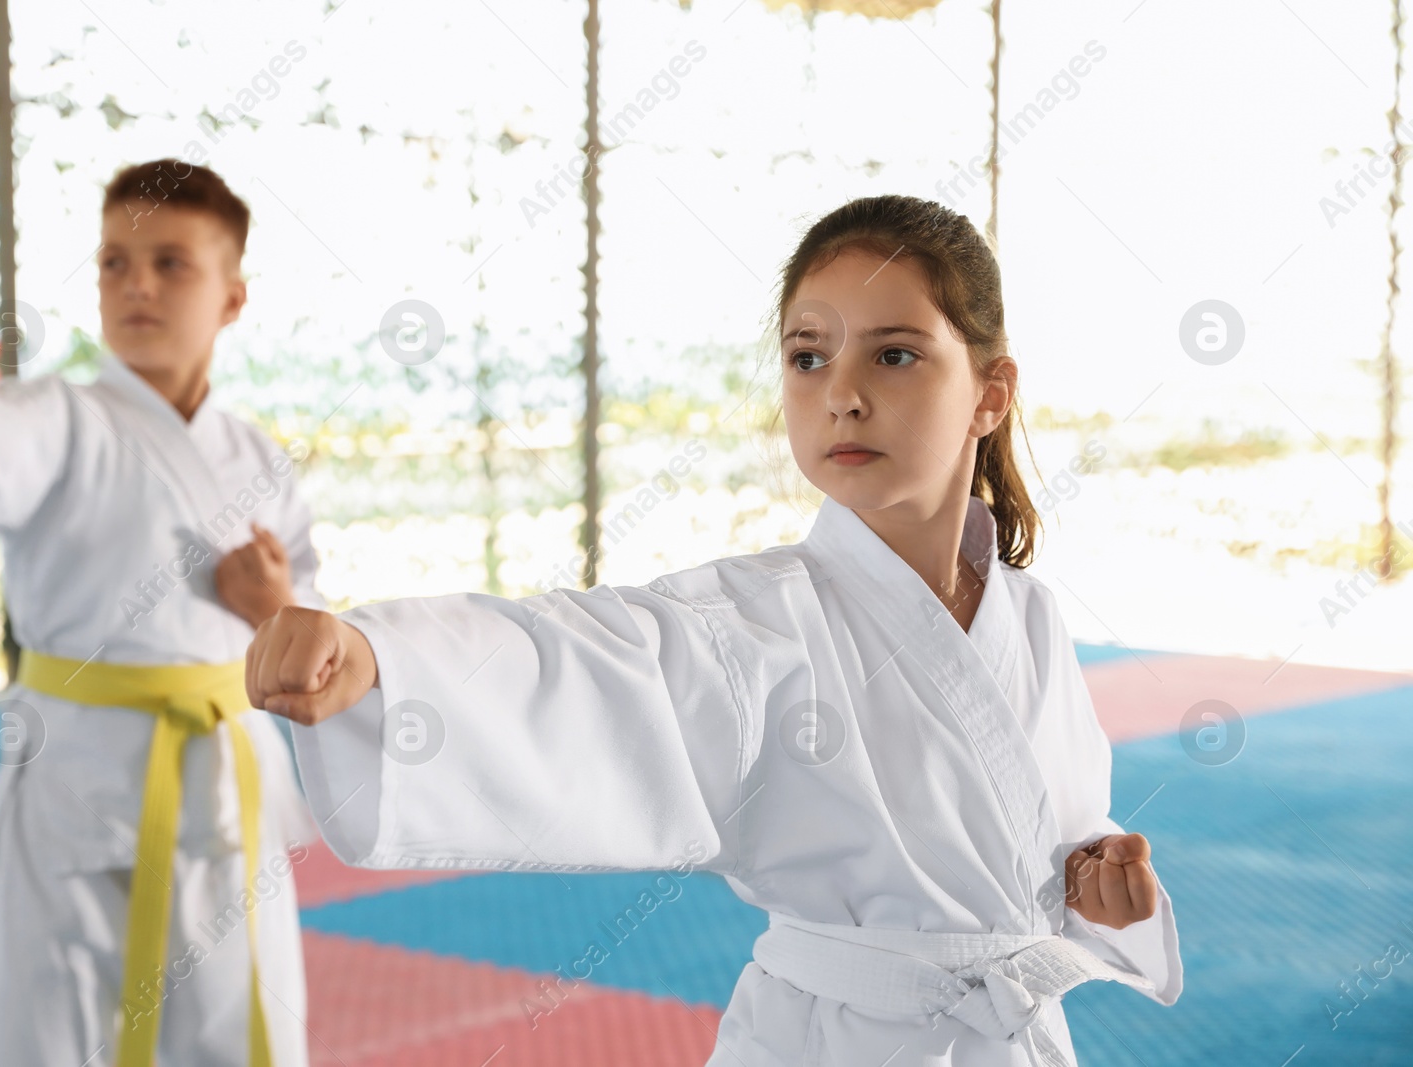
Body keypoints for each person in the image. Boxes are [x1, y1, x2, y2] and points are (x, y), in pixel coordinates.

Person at [245, 194, 1182, 1066]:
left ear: (990, 390)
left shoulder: (1031, 618)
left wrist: (1099, 888)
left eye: (892, 354)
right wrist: (383, 664)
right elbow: (599, 659)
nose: (841, 393)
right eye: (809, 356)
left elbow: (1053, 839)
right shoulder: (757, 623)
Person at [0, 159, 321, 1067]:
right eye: (114, 263)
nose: (136, 284)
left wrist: (270, 605)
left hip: (221, 780)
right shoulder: (57, 418)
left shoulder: (260, 460)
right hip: (72, 775)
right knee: (46, 1031)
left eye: (171, 263)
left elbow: (313, 654)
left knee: (239, 1025)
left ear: (232, 299)